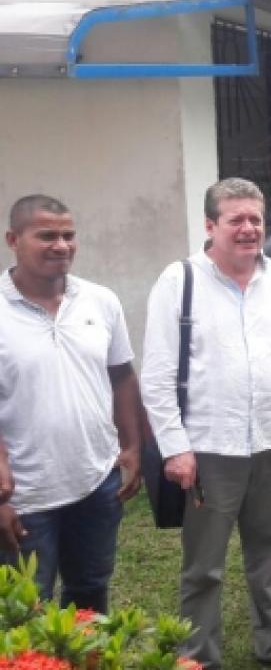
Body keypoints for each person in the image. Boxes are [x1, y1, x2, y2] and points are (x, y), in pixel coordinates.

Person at [141, 178, 271, 670]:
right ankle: (199, 658)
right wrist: (176, 447)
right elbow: (156, 376)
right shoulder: (179, 281)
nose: (247, 229)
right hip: (210, 450)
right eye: (235, 220)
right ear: (210, 225)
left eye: (255, 219)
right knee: (204, 567)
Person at [0, 194, 142, 612]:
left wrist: (132, 447)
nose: (61, 245)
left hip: (96, 483)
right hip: (25, 495)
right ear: (13, 239)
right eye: (47, 235)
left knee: (91, 594)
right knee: (27, 609)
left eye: (68, 235)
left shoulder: (100, 301)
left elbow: (122, 376)